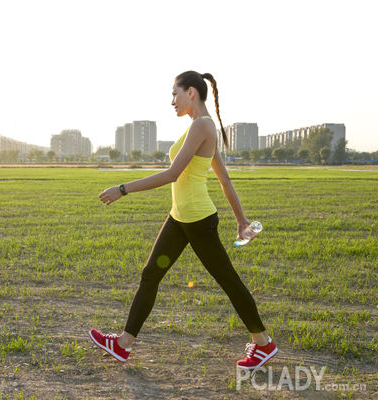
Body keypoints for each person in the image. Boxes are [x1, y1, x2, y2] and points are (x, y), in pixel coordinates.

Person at [89, 71, 277, 370]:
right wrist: (241, 220)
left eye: (175, 94)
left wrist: (123, 189)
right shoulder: (199, 127)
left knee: (228, 281)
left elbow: (172, 174)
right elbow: (225, 180)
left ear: (192, 92)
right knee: (150, 274)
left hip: (198, 220)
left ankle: (264, 343)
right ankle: (123, 344)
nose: (172, 101)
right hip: (180, 217)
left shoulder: (202, 126)